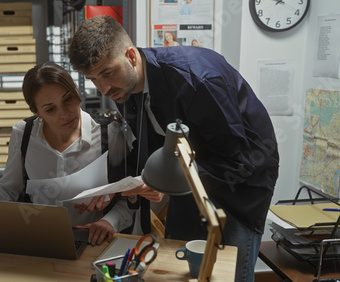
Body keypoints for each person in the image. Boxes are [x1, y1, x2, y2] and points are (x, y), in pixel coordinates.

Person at [68, 15, 279, 282]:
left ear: (131, 56)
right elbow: (153, 145)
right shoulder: (123, 89)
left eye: (108, 73)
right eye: (93, 79)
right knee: (180, 260)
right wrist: (124, 188)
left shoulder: (198, 79)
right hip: (188, 171)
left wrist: (166, 184)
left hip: (240, 177)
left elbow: (237, 160)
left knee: (229, 270)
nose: (104, 88)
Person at [0, 62, 133, 246]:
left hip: (93, 242)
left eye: (68, 99)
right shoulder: (23, 134)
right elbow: (9, 188)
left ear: (77, 91)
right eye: (50, 109)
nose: (64, 114)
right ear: (37, 112)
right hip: (38, 240)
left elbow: (130, 195)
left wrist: (110, 221)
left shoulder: (109, 133)